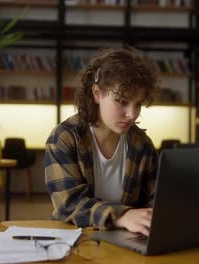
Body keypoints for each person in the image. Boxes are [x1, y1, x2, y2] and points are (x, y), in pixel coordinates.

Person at [44, 47, 159, 237]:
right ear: (97, 93)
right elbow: (68, 204)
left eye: (138, 103)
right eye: (122, 101)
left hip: (128, 242)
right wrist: (121, 216)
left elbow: (155, 200)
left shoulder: (142, 144)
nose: (132, 114)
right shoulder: (64, 138)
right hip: (75, 239)